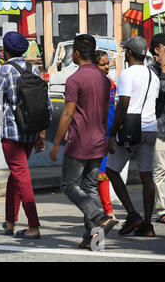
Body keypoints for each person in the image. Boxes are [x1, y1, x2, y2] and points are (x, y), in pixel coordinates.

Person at [0, 32, 52, 239]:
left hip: (12, 133)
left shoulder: (4, 70)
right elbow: (46, 106)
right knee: (16, 177)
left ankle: (33, 226)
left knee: (22, 178)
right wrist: (42, 135)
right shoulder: (34, 69)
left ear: (5, 51)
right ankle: (9, 222)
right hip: (31, 132)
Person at [49, 34, 117, 250]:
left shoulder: (74, 80)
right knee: (90, 189)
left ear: (76, 54)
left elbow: (68, 114)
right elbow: (106, 112)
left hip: (79, 143)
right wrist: (108, 137)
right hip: (99, 141)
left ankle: (99, 216)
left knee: (69, 186)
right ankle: (93, 241)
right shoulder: (104, 80)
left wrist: (56, 143)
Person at [106, 36, 160, 237]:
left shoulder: (127, 74)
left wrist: (112, 133)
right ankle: (147, 224)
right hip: (150, 127)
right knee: (147, 176)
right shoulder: (152, 75)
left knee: (111, 170)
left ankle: (132, 214)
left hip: (131, 129)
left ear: (129, 53)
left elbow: (124, 105)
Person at [148, 34, 165, 224]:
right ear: (158, 50)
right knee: (159, 170)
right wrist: (164, 66)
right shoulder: (150, 72)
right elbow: (162, 90)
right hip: (159, 127)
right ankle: (161, 210)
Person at [93, 50, 118, 221]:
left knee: (103, 175)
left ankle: (107, 211)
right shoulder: (92, 84)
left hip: (107, 134)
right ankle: (100, 212)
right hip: (93, 133)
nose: (107, 67)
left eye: (108, 64)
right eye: (103, 64)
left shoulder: (111, 84)